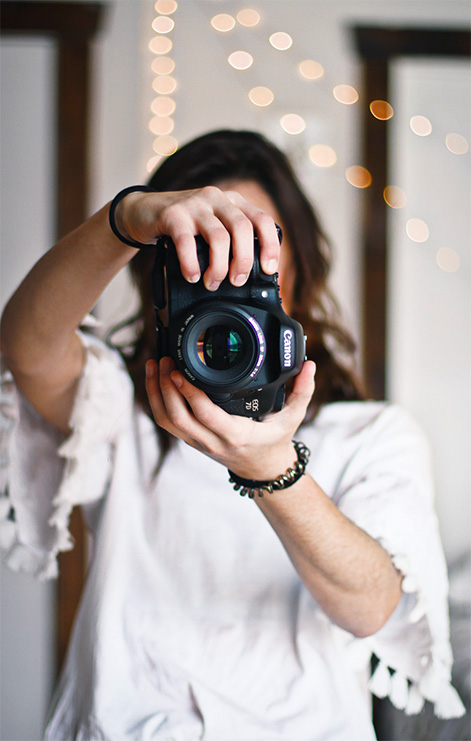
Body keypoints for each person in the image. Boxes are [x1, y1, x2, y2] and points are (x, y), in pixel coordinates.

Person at [0, 130, 464, 739]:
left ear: (296, 273)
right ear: (163, 285)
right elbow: (28, 349)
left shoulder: (371, 432)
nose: (231, 286)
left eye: (254, 258)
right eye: (208, 260)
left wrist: (272, 467)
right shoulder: (127, 408)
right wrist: (127, 217)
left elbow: (373, 607)